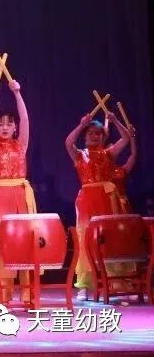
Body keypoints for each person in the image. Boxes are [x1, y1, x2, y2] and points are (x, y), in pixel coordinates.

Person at [65, 112, 131, 300]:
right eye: (90, 133)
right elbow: (68, 143)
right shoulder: (80, 155)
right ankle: (85, 285)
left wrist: (116, 121)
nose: (94, 136)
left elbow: (126, 138)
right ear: (85, 137)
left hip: (106, 199)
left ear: (103, 136)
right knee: (85, 240)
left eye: (98, 133)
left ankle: (115, 282)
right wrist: (81, 125)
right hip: (86, 200)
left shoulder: (109, 153)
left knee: (109, 239)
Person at [0, 78, 35, 303]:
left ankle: (28, 294)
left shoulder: (21, 145)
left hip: (22, 195)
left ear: (15, 128)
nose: (5, 127)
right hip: (0, 198)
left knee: (26, 241)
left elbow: (25, 118)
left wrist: (17, 93)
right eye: (1, 124)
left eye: (9, 124)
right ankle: (1, 295)